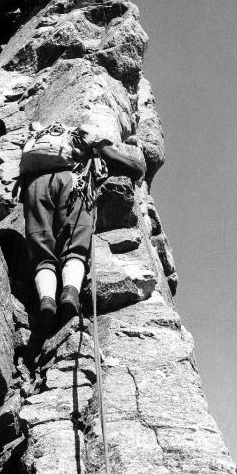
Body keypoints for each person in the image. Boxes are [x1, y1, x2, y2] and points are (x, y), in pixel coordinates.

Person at [20, 122, 145, 333]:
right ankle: (70, 294)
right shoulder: (86, 138)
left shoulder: (38, 142)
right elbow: (130, 166)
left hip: (34, 188)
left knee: (42, 253)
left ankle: (47, 303)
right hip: (73, 183)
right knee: (76, 245)